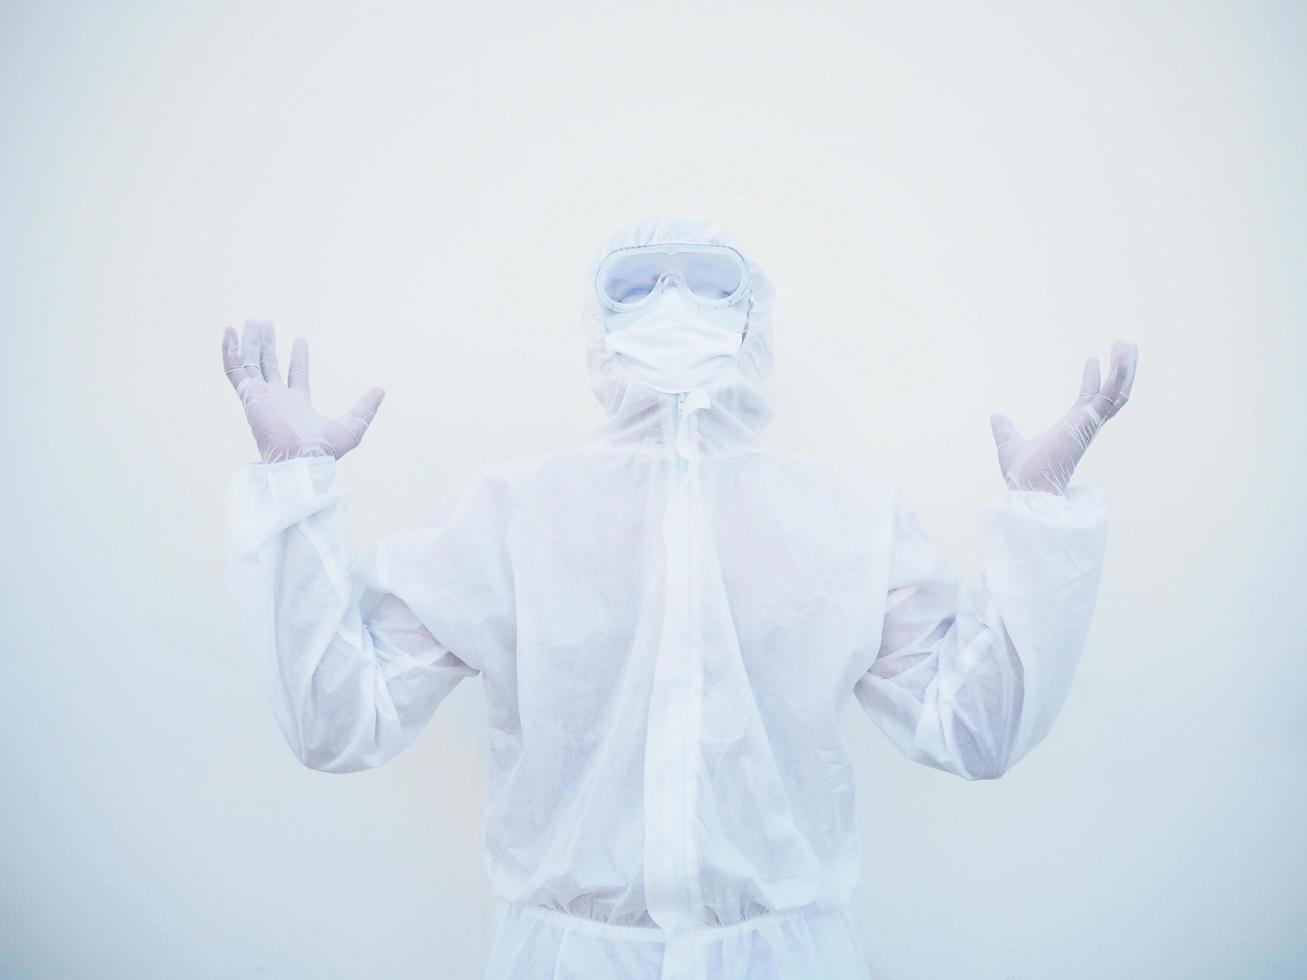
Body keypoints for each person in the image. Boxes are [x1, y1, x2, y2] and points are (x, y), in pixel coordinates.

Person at [222, 219, 1137, 979]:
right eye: (635, 285)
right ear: (596, 322)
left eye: (707, 281)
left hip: (789, 959)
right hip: (564, 961)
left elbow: (974, 726)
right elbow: (338, 720)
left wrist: (1039, 518)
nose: (671, 301)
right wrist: (296, 491)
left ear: (753, 318)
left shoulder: (846, 522)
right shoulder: (511, 518)